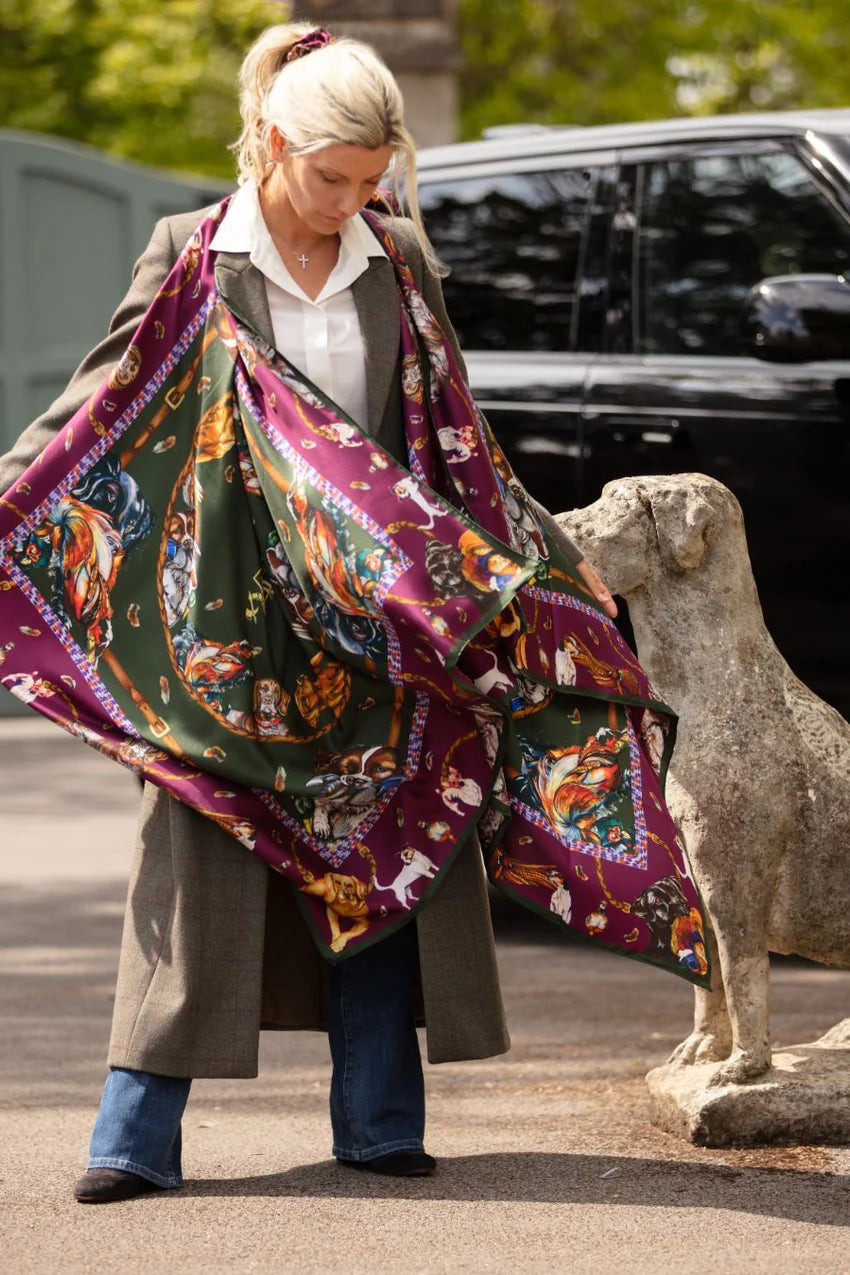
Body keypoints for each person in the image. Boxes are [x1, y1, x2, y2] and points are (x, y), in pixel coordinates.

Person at [0, 23, 707, 1205]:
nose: (350, 203)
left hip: (384, 619)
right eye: (333, 179)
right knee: (193, 859)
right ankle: (132, 1140)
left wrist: (541, 553)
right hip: (227, 622)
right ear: (273, 142)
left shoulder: (398, 256)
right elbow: (100, 402)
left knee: (395, 843)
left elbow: (451, 431)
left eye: (373, 181)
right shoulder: (193, 255)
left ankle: (379, 1125)